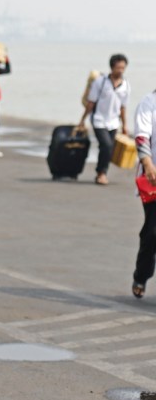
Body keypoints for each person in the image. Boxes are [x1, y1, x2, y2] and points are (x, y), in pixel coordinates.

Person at [78, 54, 130, 185]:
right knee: (106, 145)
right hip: (98, 120)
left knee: (108, 147)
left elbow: (123, 107)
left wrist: (124, 125)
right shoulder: (100, 82)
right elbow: (91, 102)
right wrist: (82, 120)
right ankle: (101, 173)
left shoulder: (126, 86)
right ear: (112, 67)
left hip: (113, 122)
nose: (121, 70)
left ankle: (102, 173)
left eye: (123, 68)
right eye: (118, 67)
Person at [132, 91, 156, 298]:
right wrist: (147, 164)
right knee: (152, 232)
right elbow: (141, 136)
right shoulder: (149, 103)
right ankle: (142, 275)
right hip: (153, 179)